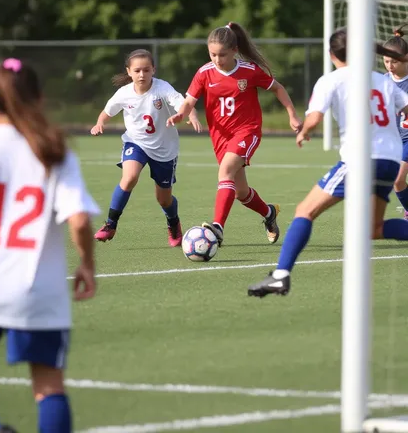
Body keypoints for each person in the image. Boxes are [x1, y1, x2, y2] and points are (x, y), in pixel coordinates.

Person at [248, 29, 408, 298]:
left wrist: (304, 131)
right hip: (390, 160)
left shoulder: (332, 80)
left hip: (360, 160)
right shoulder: (383, 81)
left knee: (304, 211)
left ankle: (280, 275)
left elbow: (314, 117)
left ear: (332, 55)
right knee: (374, 228)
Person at [0, 58, 99, 433]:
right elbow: (80, 220)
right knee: (49, 386)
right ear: (39, 98)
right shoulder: (52, 148)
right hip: (37, 287)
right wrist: (87, 263)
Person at [166, 22, 302, 246]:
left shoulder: (249, 71)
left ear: (235, 50)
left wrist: (292, 115)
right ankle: (269, 213)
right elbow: (189, 101)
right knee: (240, 192)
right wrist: (181, 114)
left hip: (247, 132)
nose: (217, 59)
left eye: (222, 54)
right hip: (220, 137)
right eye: (212, 54)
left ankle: (217, 227)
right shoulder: (204, 73)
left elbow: (278, 88)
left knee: (225, 171)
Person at [91, 49, 202, 246]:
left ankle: (173, 221)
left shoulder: (162, 88)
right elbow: (106, 112)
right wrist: (100, 123)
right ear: (129, 72)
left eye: (146, 70)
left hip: (164, 149)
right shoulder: (123, 94)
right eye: (137, 70)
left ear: (153, 70)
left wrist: (191, 115)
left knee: (163, 200)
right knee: (129, 178)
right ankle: (110, 224)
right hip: (136, 142)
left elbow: (183, 104)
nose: (142, 75)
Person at [383, 25, 408, 218]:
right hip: (395, 140)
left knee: (398, 179)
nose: (390, 66)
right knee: (397, 182)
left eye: (394, 62)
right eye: (386, 61)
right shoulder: (383, 81)